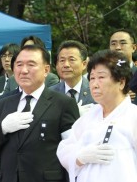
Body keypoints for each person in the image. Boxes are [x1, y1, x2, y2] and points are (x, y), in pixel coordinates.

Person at [0, 45, 79, 182]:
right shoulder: (4, 103)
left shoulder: (63, 103)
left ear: (46, 70)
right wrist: (2, 128)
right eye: (19, 65)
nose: (24, 70)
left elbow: (71, 151)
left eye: (31, 65)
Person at [57, 50, 137, 182]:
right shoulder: (88, 116)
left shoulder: (133, 116)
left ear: (121, 82)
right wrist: (80, 157)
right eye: (92, 78)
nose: (94, 84)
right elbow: (64, 150)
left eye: (101, 77)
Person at [50, 40, 94, 115]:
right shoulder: (50, 93)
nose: (66, 65)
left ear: (84, 64)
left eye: (71, 60)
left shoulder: (95, 90)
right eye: (62, 60)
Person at [0, 43, 20, 112]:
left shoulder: (23, 80)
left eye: (10, 56)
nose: (6, 59)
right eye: (4, 56)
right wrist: (0, 98)